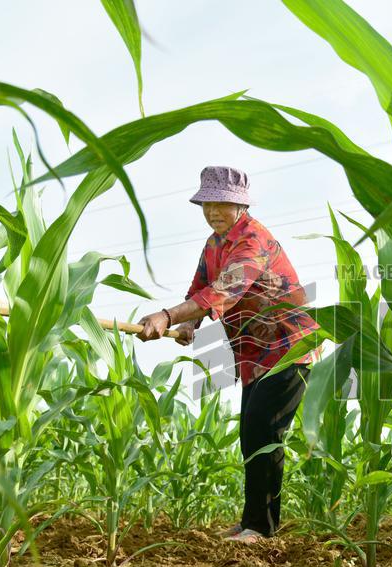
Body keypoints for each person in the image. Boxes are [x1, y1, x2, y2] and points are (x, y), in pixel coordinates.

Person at [136, 166, 319, 543]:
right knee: (251, 436)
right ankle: (253, 521)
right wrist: (189, 325)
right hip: (254, 354)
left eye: (223, 203)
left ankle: (261, 529)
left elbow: (222, 291)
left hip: (288, 349)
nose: (213, 211)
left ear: (241, 205)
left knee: (264, 432)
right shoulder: (214, 244)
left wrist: (168, 316)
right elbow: (200, 286)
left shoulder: (253, 241)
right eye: (207, 203)